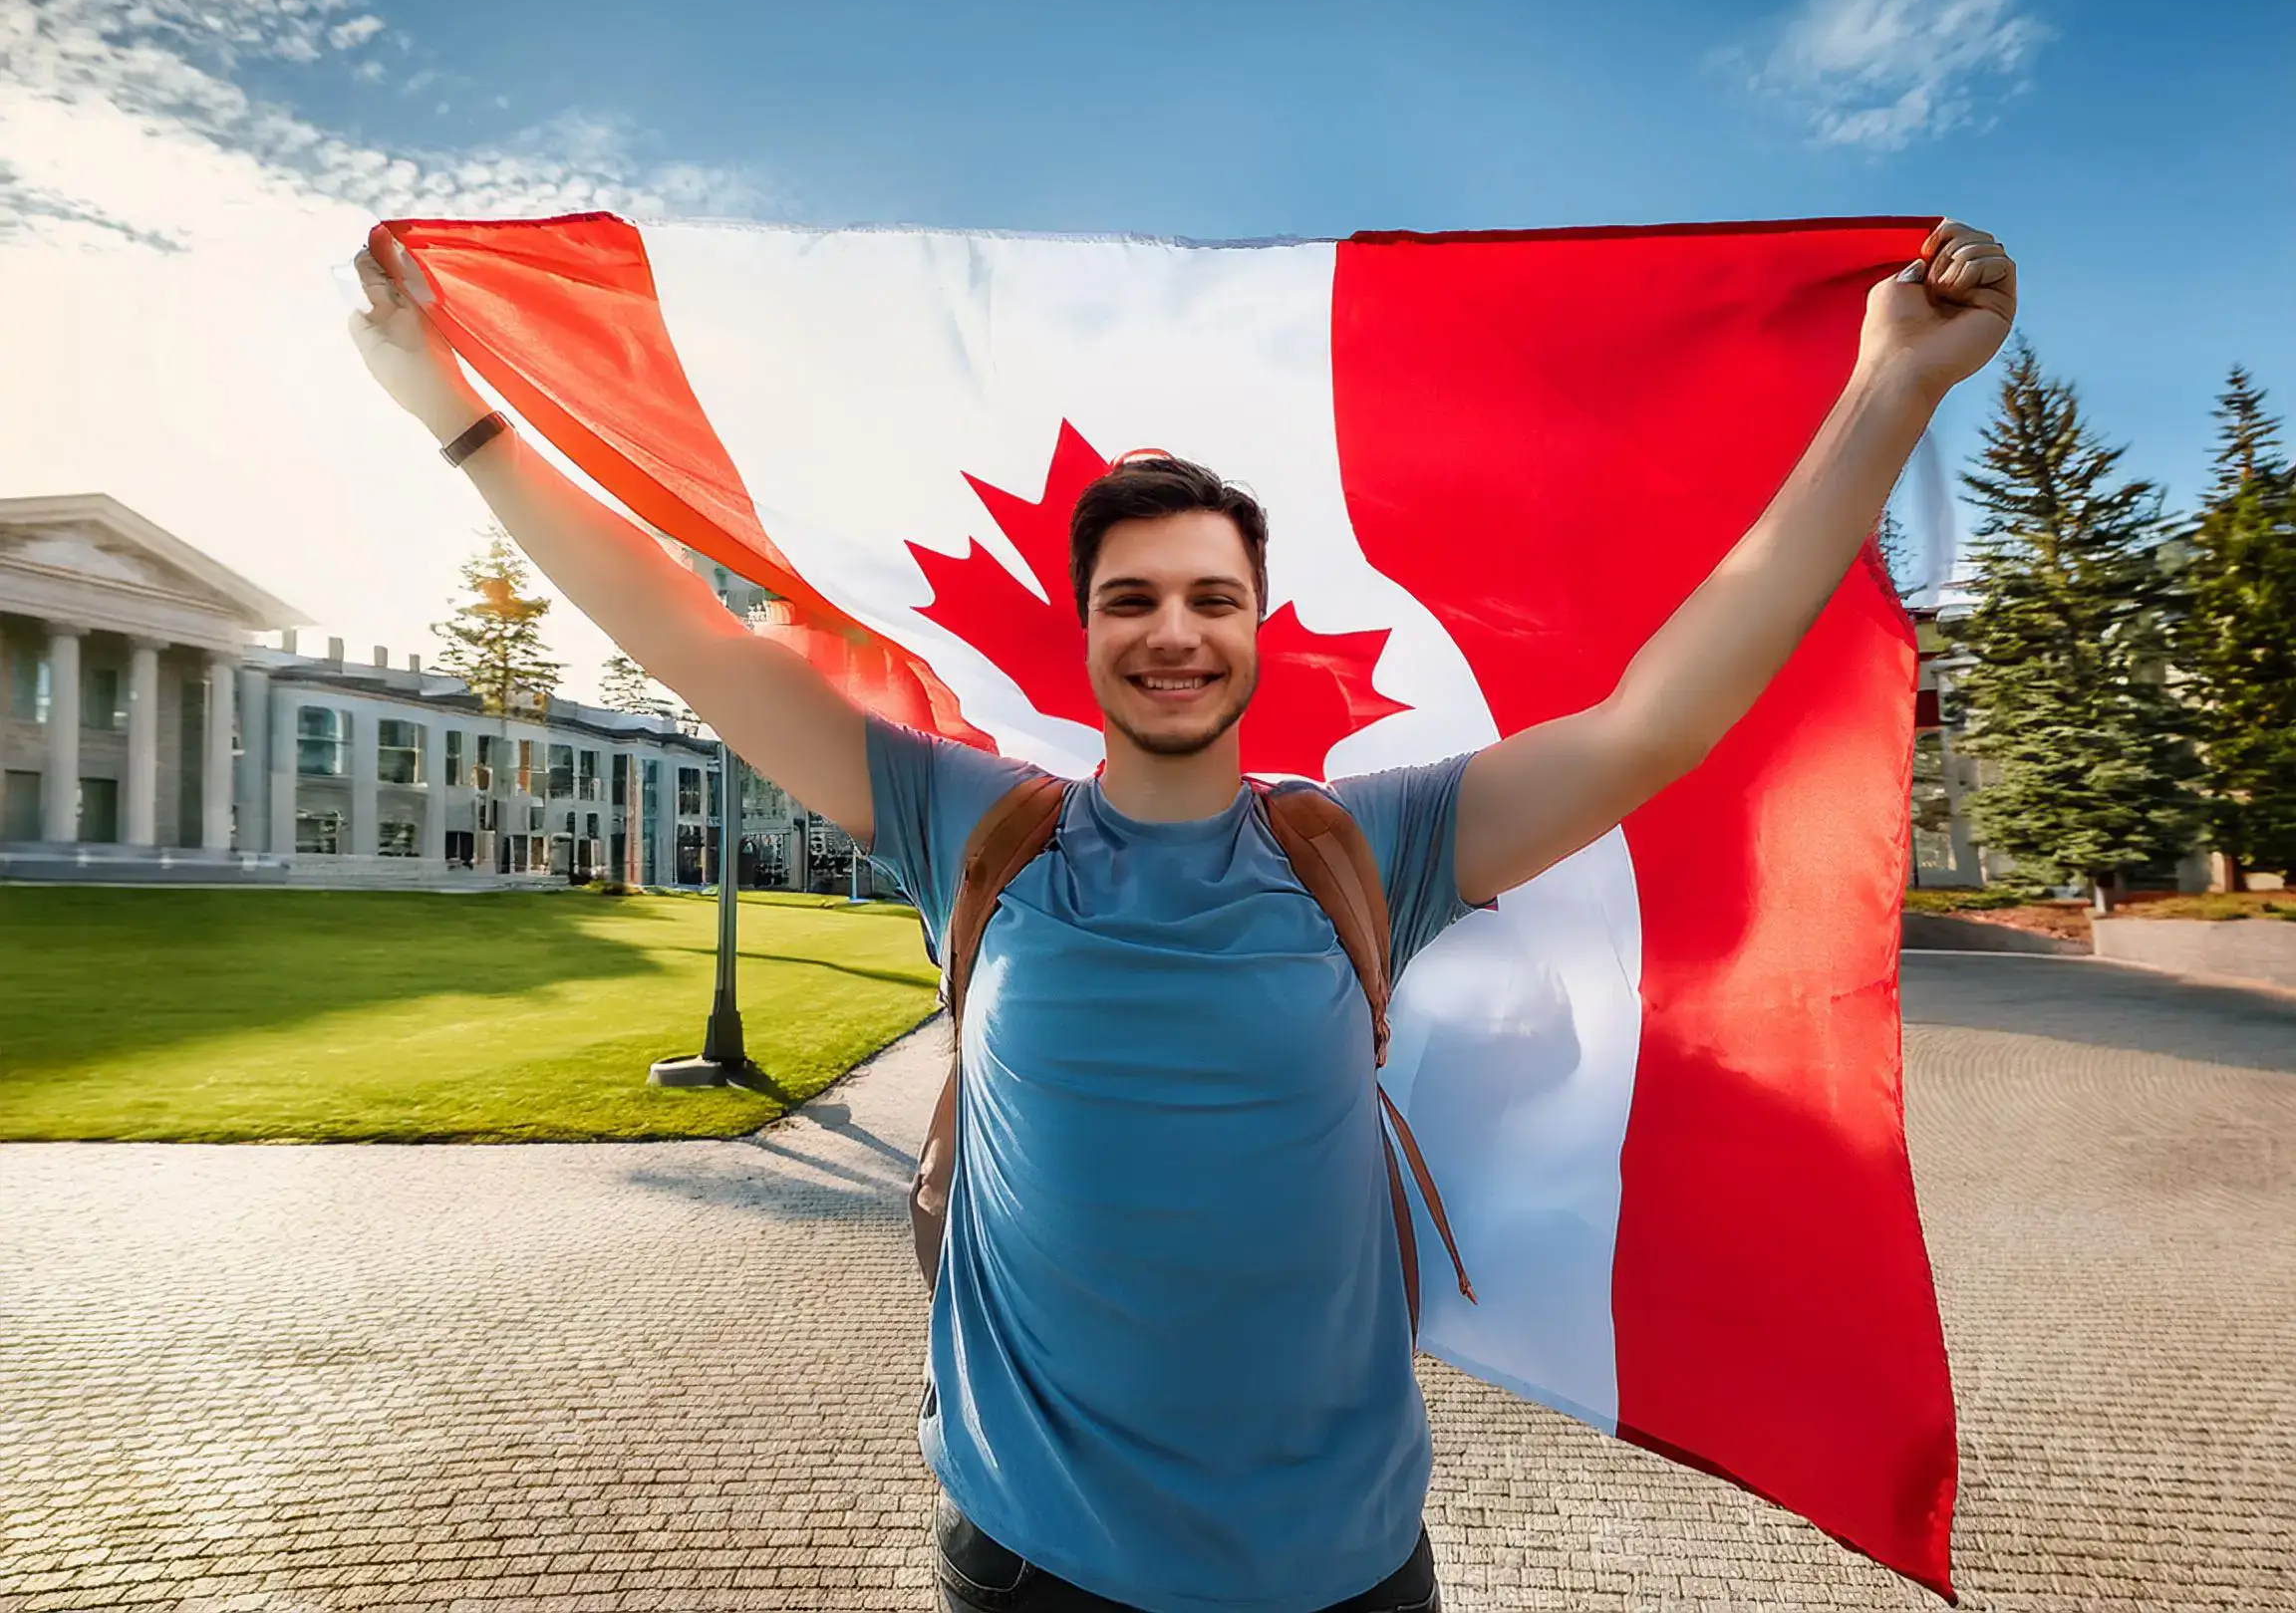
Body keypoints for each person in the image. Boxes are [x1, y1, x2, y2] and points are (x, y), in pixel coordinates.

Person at [349, 222, 2016, 1613]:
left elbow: (1665, 714)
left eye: (1211, 597)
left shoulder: (1377, 846)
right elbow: (691, 639)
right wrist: (457, 414)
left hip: (1343, 1575)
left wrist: (1890, 385)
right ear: (1083, 635)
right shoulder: (972, 824)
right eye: (1131, 600)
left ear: (1258, 628)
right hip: (1032, 1565)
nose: (1173, 632)